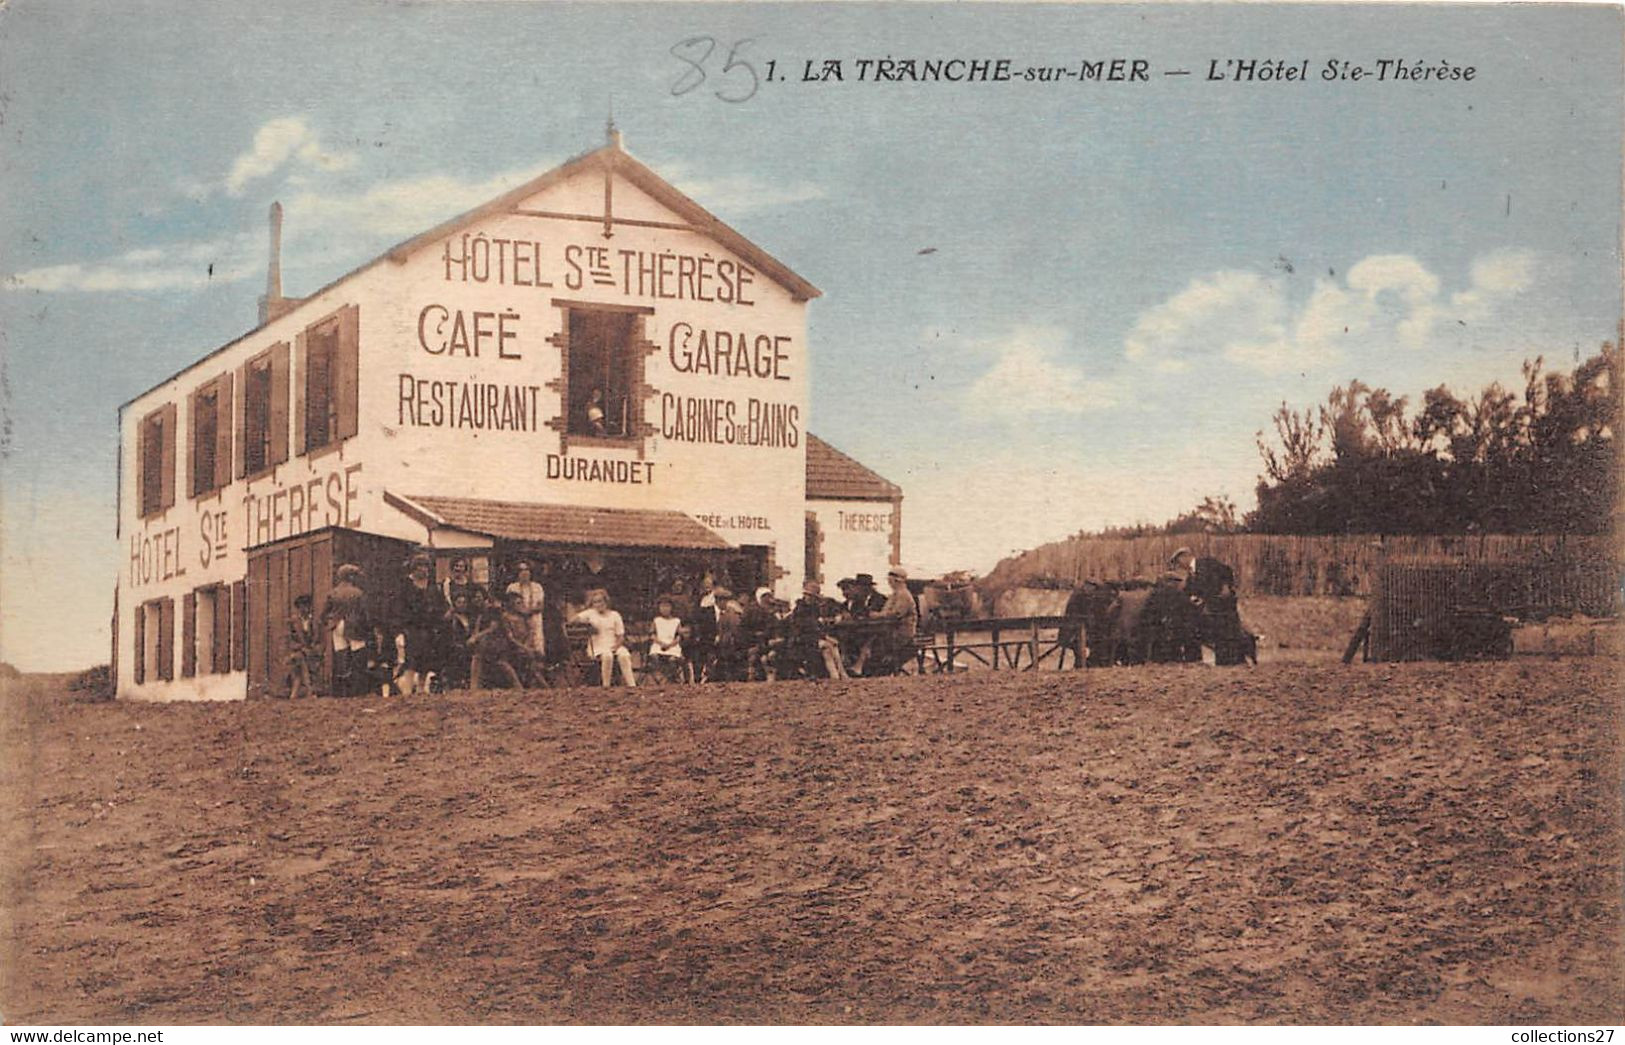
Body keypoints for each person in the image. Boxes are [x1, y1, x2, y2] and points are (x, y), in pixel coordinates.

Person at [394, 553, 450, 694]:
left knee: (427, 661)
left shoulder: (432, 586)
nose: (423, 570)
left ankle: (421, 688)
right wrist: (402, 628)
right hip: (412, 628)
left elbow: (440, 605)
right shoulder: (405, 585)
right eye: (420, 566)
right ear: (414, 568)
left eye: (425, 566)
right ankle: (407, 691)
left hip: (430, 628)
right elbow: (399, 608)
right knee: (411, 661)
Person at [320, 563, 371, 697]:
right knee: (358, 654)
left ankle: (343, 691)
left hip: (337, 625)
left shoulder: (333, 593)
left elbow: (324, 614)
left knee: (341, 656)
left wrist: (329, 622)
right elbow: (365, 614)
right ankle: (357, 690)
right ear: (351, 577)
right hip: (354, 625)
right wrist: (367, 628)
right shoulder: (358, 593)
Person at [856, 568, 919, 675]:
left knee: (873, 639)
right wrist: (878, 615)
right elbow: (886, 612)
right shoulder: (895, 595)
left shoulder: (903, 595)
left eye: (890, 581)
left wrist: (876, 615)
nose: (889, 584)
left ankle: (864, 667)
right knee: (871, 638)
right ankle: (863, 667)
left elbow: (895, 615)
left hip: (902, 633)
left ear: (896, 581)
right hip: (894, 630)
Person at [575, 589, 636, 687]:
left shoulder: (615, 615)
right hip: (597, 647)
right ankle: (606, 686)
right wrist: (588, 625)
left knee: (624, 655)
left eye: (600, 601)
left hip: (614, 645)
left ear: (606, 602)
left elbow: (620, 636)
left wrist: (616, 647)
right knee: (608, 656)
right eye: (595, 602)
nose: (598, 604)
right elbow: (573, 620)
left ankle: (632, 685)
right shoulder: (590, 613)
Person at [505, 560, 547, 660]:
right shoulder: (512, 587)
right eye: (521, 570)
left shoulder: (537, 587)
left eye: (527, 570)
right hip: (518, 623)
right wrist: (522, 611)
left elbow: (540, 606)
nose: (524, 573)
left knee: (537, 649)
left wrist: (527, 611)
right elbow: (510, 605)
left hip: (535, 621)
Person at [286, 594, 322, 698]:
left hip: (311, 651)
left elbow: (319, 640)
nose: (305, 609)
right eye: (303, 606)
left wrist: (314, 649)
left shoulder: (315, 622)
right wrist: (301, 648)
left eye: (308, 606)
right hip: (296, 652)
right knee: (300, 657)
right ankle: (310, 689)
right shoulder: (292, 622)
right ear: (298, 608)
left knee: (303, 660)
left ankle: (295, 692)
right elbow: (288, 641)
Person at [646, 595, 687, 683]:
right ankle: (661, 678)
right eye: (662, 606)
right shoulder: (657, 620)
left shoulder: (676, 621)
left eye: (667, 606)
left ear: (671, 608)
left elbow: (679, 636)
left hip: (672, 644)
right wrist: (660, 643)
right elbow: (652, 635)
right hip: (659, 643)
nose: (665, 609)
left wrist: (671, 644)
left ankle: (670, 680)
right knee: (654, 657)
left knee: (672, 660)